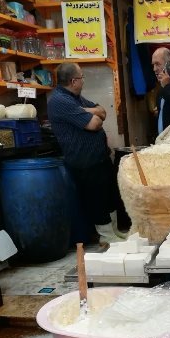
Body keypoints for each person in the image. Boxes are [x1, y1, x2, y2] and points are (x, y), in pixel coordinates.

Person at [47, 63, 125, 244]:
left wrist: (86, 110)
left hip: (99, 158)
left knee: (110, 195)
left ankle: (114, 231)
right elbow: (94, 123)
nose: (83, 80)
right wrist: (92, 113)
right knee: (97, 198)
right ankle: (106, 237)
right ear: (73, 81)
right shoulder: (60, 101)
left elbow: (102, 112)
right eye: (82, 77)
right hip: (85, 161)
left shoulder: (76, 99)